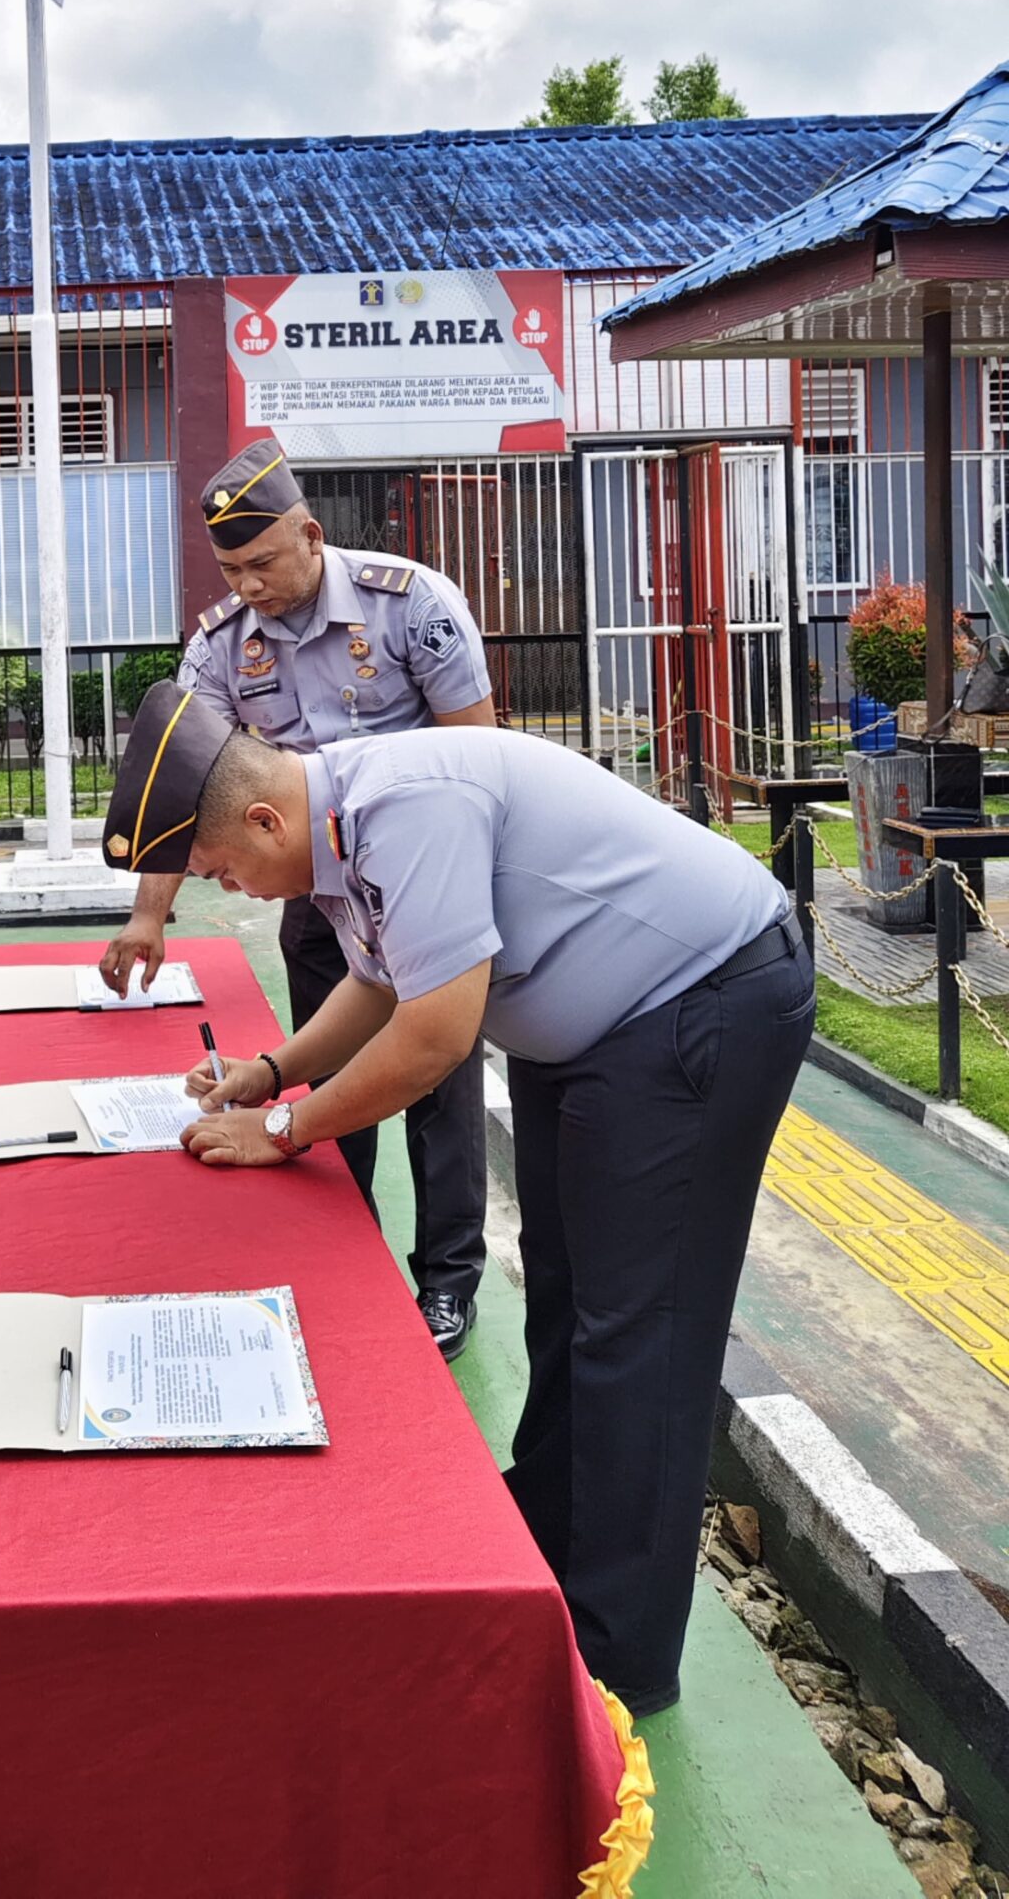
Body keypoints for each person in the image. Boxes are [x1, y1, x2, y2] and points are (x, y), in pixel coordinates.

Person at [104, 682, 813, 1717]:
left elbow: (433, 1041)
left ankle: (621, 1650)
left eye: (223, 870)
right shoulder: (340, 824)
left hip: (694, 1006)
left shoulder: (405, 805)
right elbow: (381, 984)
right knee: (567, 1304)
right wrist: (271, 1071)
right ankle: (551, 1541)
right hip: (594, 1031)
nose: (235, 891)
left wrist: (287, 1130)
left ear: (264, 819)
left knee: (642, 1332)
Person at [99, 437, 495, 1356]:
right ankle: (342, 1248)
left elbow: (484, 756)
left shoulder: (411, 606)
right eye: (232, 570)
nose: (250, 586)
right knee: (330, 1074)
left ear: (311, 534)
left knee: (435, 1080)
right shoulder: (223, 645)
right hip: (315, 895)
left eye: (264, 563)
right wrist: (150, 912)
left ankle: (446, 1281)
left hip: (429, 888)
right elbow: (183, 783)